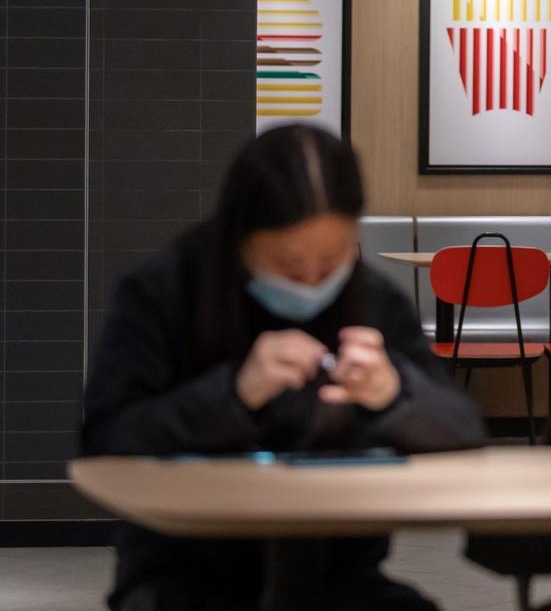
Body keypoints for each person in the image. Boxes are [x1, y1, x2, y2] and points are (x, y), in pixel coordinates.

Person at [82, 124, 486, 611]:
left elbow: (463, 426)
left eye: (333, 259)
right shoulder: (162, 290)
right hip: (186, 576)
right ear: (240, 236)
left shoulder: (373, 298)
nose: (313, 281)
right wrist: (235, 393)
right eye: (289, 266)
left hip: (339, 578)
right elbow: (107, 440)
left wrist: (393, 393)